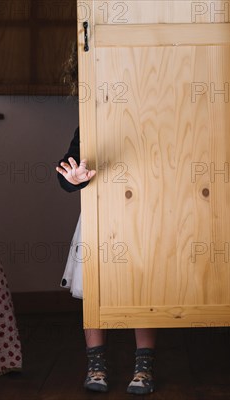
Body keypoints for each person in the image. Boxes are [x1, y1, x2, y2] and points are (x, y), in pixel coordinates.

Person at [54, 44, 157, 395]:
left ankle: (143, 367)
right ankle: (96, 364)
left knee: (142, 290)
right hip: (99, 218)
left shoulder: (148, 117)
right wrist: (73, 178)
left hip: (141, 216)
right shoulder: (90, 125)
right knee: (93, 289)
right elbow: (66, 170)